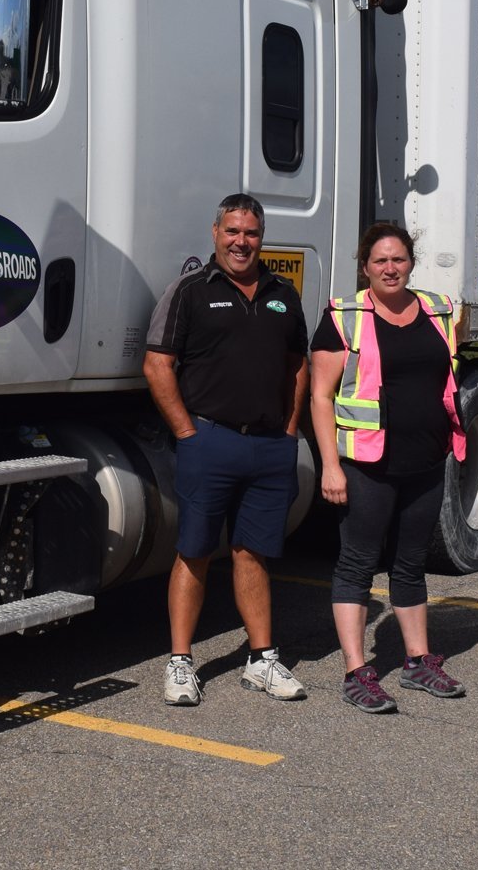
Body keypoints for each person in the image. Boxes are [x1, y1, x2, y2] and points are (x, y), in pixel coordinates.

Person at [144, 194, 310, 706]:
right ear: (215, 232)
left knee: (251, 552)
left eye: (252, 233)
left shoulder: (284, 293)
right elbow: (157, 364)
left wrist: (288, 430)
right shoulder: (190, 291)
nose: (242, 242)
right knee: (193, 552)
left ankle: (262, 660)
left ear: (263, 237)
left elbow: (297, 366)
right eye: (233, 231)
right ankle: (179, 663)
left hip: (268, 446)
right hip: (209, 440)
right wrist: (187, 432)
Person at [309, 221, 468, 713]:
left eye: (398, 259)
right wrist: (330, 467)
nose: (390, 268)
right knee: (357, 562)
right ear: (365, 267)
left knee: (411, 562)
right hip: (366, 464)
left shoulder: (439, 312)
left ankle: (418, 662)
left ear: (411, 263)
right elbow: (320, 395)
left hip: (425, 461)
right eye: (380, 260)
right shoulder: (344, 315)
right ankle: (357, 670)